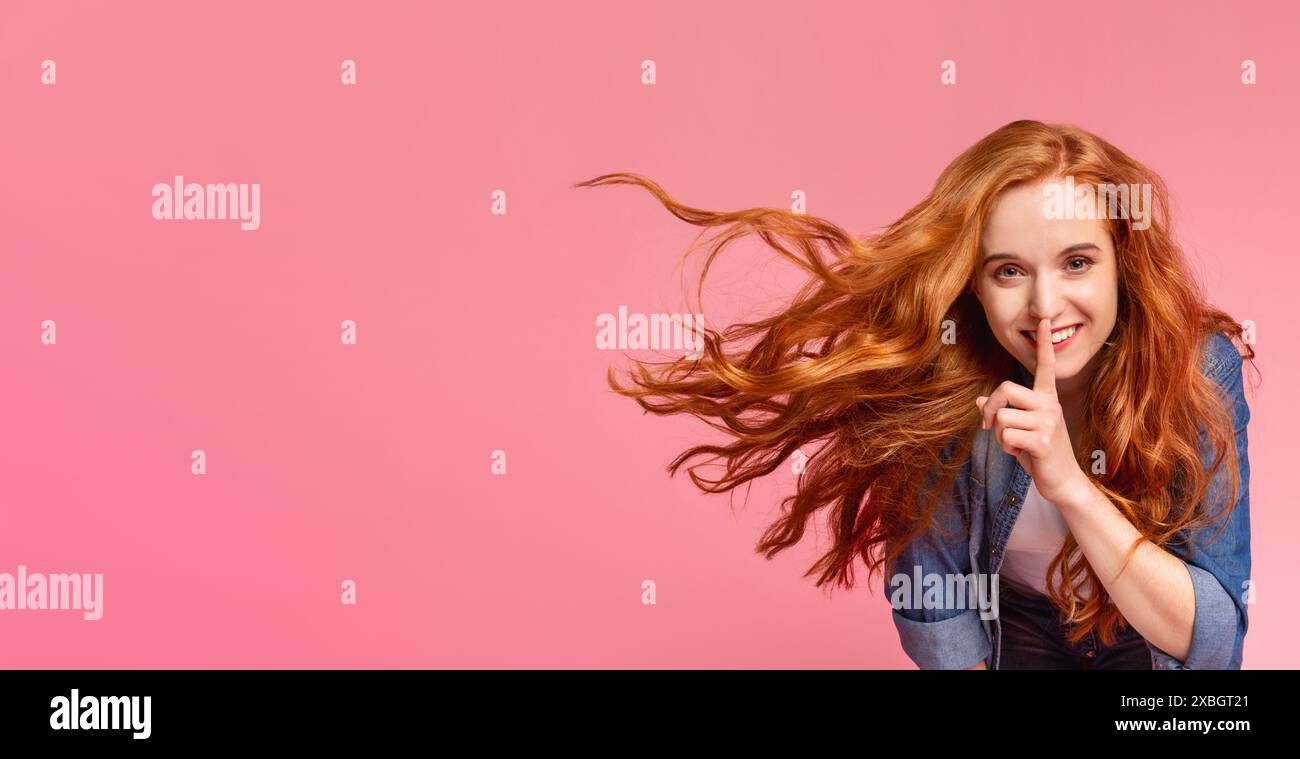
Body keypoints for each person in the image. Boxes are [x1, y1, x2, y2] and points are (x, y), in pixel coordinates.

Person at [575, 119, 1255, 669]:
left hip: (1146, 651)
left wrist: (1070, 484)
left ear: (1122, 262)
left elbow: (1214, 642)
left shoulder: (1197, 370)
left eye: (1077, 261)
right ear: (974, 284)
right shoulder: (943, 381)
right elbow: (940, 612)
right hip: (1009, 637)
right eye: (1010, 270)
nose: (1046, 305)